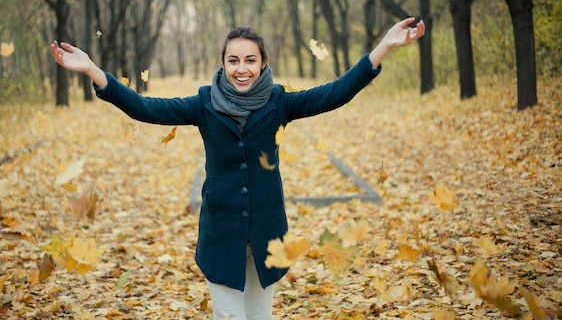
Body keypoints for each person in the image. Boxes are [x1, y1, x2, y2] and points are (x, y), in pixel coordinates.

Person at [51, 17, 425, 320]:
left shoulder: (280, 103)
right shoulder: (203, 104)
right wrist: (93, 70)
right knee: (230, 317)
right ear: (223, 63)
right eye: (234, 60)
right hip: (221, 235)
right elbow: (144, 108)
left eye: (250, 60)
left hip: (267, 234)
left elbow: (336, 91)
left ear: (262, 63)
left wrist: (385, 47)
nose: (241, 69)